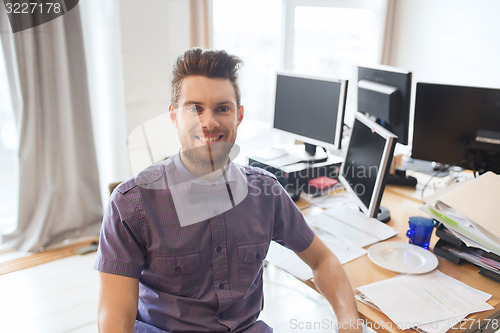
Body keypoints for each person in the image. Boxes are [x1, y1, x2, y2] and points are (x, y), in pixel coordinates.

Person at [95, 48, 362, 333]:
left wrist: (349, 322)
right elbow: (115, 321)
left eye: (222, 108)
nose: (209, 122)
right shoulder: (131, 204)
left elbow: (322, 260)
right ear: (173, 117)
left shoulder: (266, 193)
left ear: (239, 115)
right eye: (194, 108)